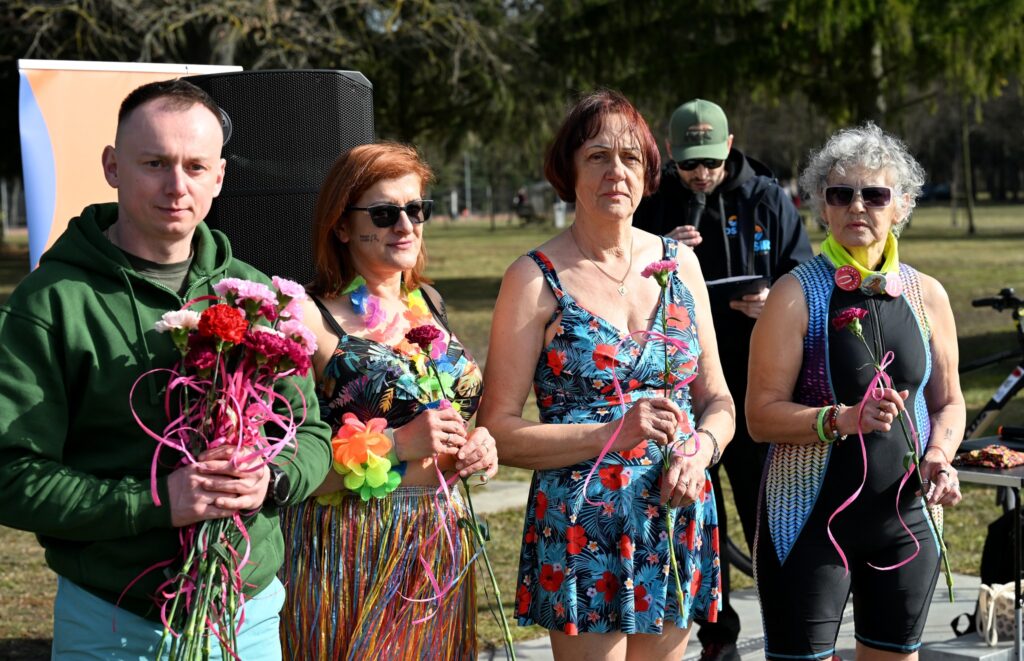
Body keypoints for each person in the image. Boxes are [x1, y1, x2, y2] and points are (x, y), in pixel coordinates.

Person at [0, 79, 333, 658]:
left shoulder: (258, 295)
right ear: (112, 166)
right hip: (114, 623)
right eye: (154, 163)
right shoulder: (52, 302)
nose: (177, 186)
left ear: (219, 177)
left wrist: (271, 480)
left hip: (250, 618)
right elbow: (11, 475)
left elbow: (311, 433)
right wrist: (155, 501)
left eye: (195, 166)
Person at [478, 90, 735, 660]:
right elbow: (497, 430)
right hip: (582, 528)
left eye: (630, 157)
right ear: (568, 170)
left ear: (648, 173)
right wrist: (611, 434)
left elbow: (718, 399)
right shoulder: (534, 278)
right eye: (597, 156)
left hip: (673, 512)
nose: (616, 171)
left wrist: (700, 452)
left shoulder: (681, 265)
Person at [746, 123, 965, 660]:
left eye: (875, 194)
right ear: (823, 205)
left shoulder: (928, 294)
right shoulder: (795, 294)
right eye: (841, 194)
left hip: (907, 520)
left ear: (903, 204)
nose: (857, 206)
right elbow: (759, 416)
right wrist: (841, 419)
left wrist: (940, 456)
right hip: (809, 521)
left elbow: (948, 402)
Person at [279, 143, 500, 659]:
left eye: (416, 209)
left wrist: (479, 443)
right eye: (383, 213)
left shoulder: (431, 304)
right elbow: (284, 468)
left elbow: (457, 412)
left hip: (438, 538)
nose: (405, 225)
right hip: (350, 543)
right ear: (341, 225)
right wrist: (396, 445)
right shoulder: (306, 317)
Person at [633, 97, 813, 661]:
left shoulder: (766, 197)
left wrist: (775, 300)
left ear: (730, 148)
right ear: (671, 155)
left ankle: (790, 628)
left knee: (765, 512)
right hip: (682, 386)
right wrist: (660, 255)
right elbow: (618, 279)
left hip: (756, 378)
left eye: (710, 161)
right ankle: (718, 636)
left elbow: (804, 275)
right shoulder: (652, 201)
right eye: (689, 164)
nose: (701, 174)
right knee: (695, 515)